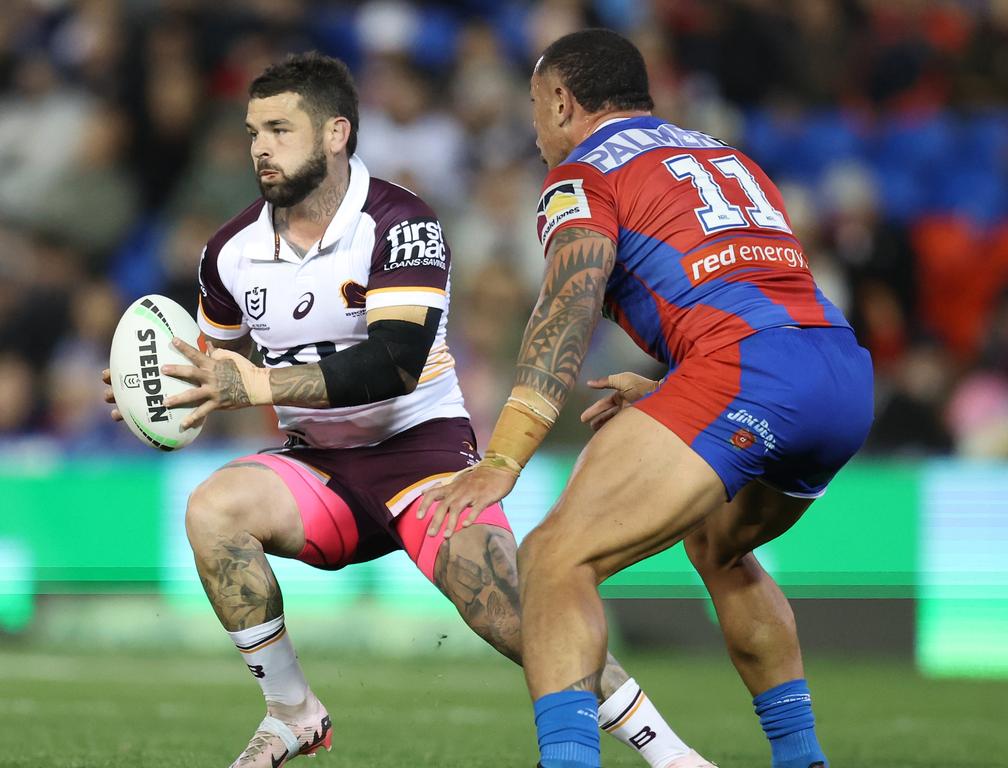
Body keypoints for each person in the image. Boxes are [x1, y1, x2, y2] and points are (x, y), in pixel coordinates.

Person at [102, 52, 711, 768]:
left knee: (517, 616)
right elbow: (215, 366)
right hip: (319, 469)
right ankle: (293, 713)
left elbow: (392, 362)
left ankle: (672, 756)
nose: (261, 147)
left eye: (279, 128)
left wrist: (258, 387)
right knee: (212, 510)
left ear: (336, 133)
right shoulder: (227, 253)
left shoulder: (400, 222)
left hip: (423, 458)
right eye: (252, 131)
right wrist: (169, 392)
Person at [421, 29, 874, 768]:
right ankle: (803, 760)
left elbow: (566, 308)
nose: (535, 128)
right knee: (720, 546)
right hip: (840, 373)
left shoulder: (580, 174)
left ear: (563, 101)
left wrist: (502, 455)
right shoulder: (726, 156)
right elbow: (750, 288)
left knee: (552, 560)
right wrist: (675, 382)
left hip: (744, 373)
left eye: (536, 107)